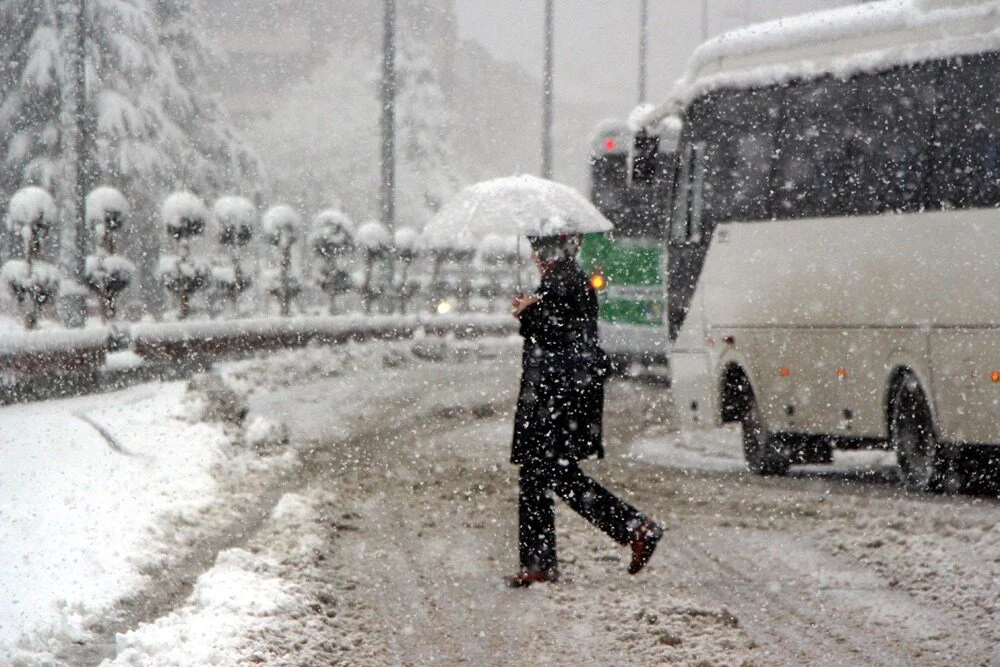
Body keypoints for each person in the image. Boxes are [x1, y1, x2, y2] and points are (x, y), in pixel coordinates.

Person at [507, 231, 663, 588]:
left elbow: (557, 334)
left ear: (548, 251)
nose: (533, 257)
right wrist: (532, 310)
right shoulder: (563, 279)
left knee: (547, 472)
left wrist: (528, 314)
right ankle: (544, 561)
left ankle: (632, 529)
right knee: (545, 474)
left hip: (559, 397)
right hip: (563, 394)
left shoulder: (563, 280)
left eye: (536, 250)